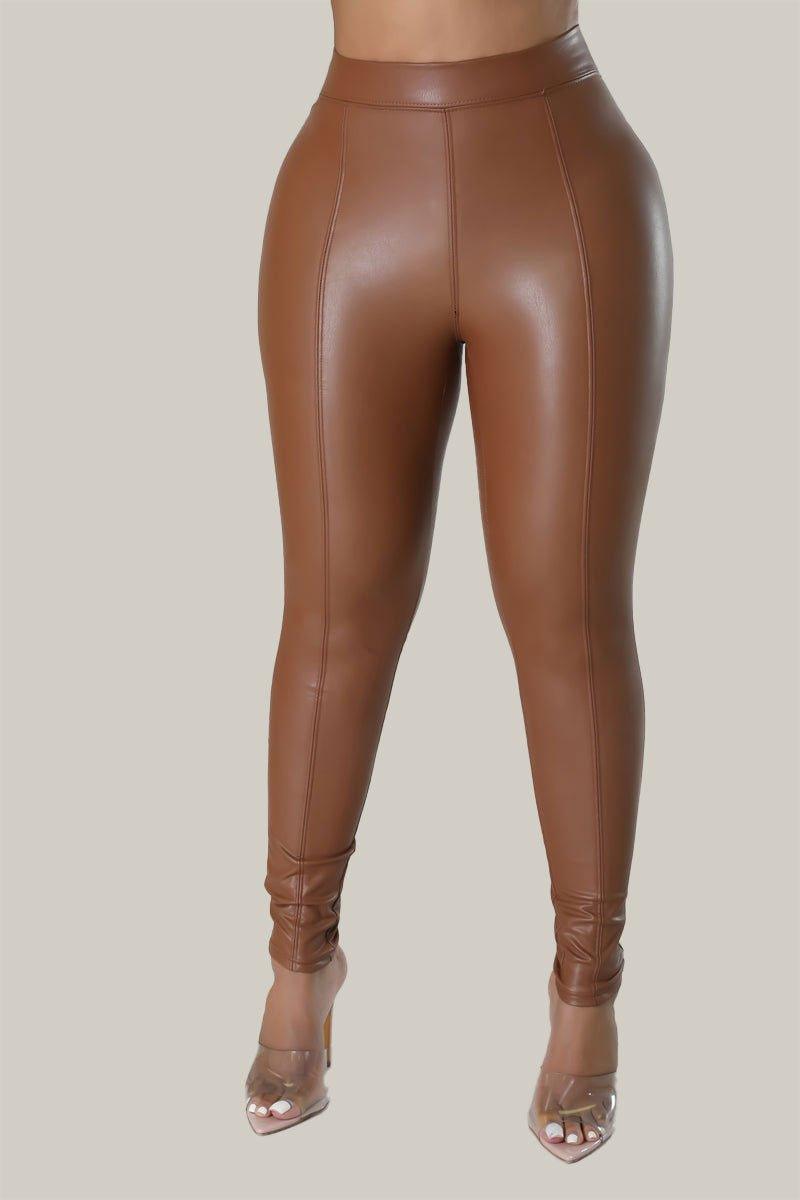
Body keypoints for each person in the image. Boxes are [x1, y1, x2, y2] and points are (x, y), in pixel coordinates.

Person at [245, 0, 672, 1162]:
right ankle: (299, 965)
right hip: (352, 187)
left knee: (568, 618)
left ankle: (584, 992)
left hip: (558, 182)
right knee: (333, 612)